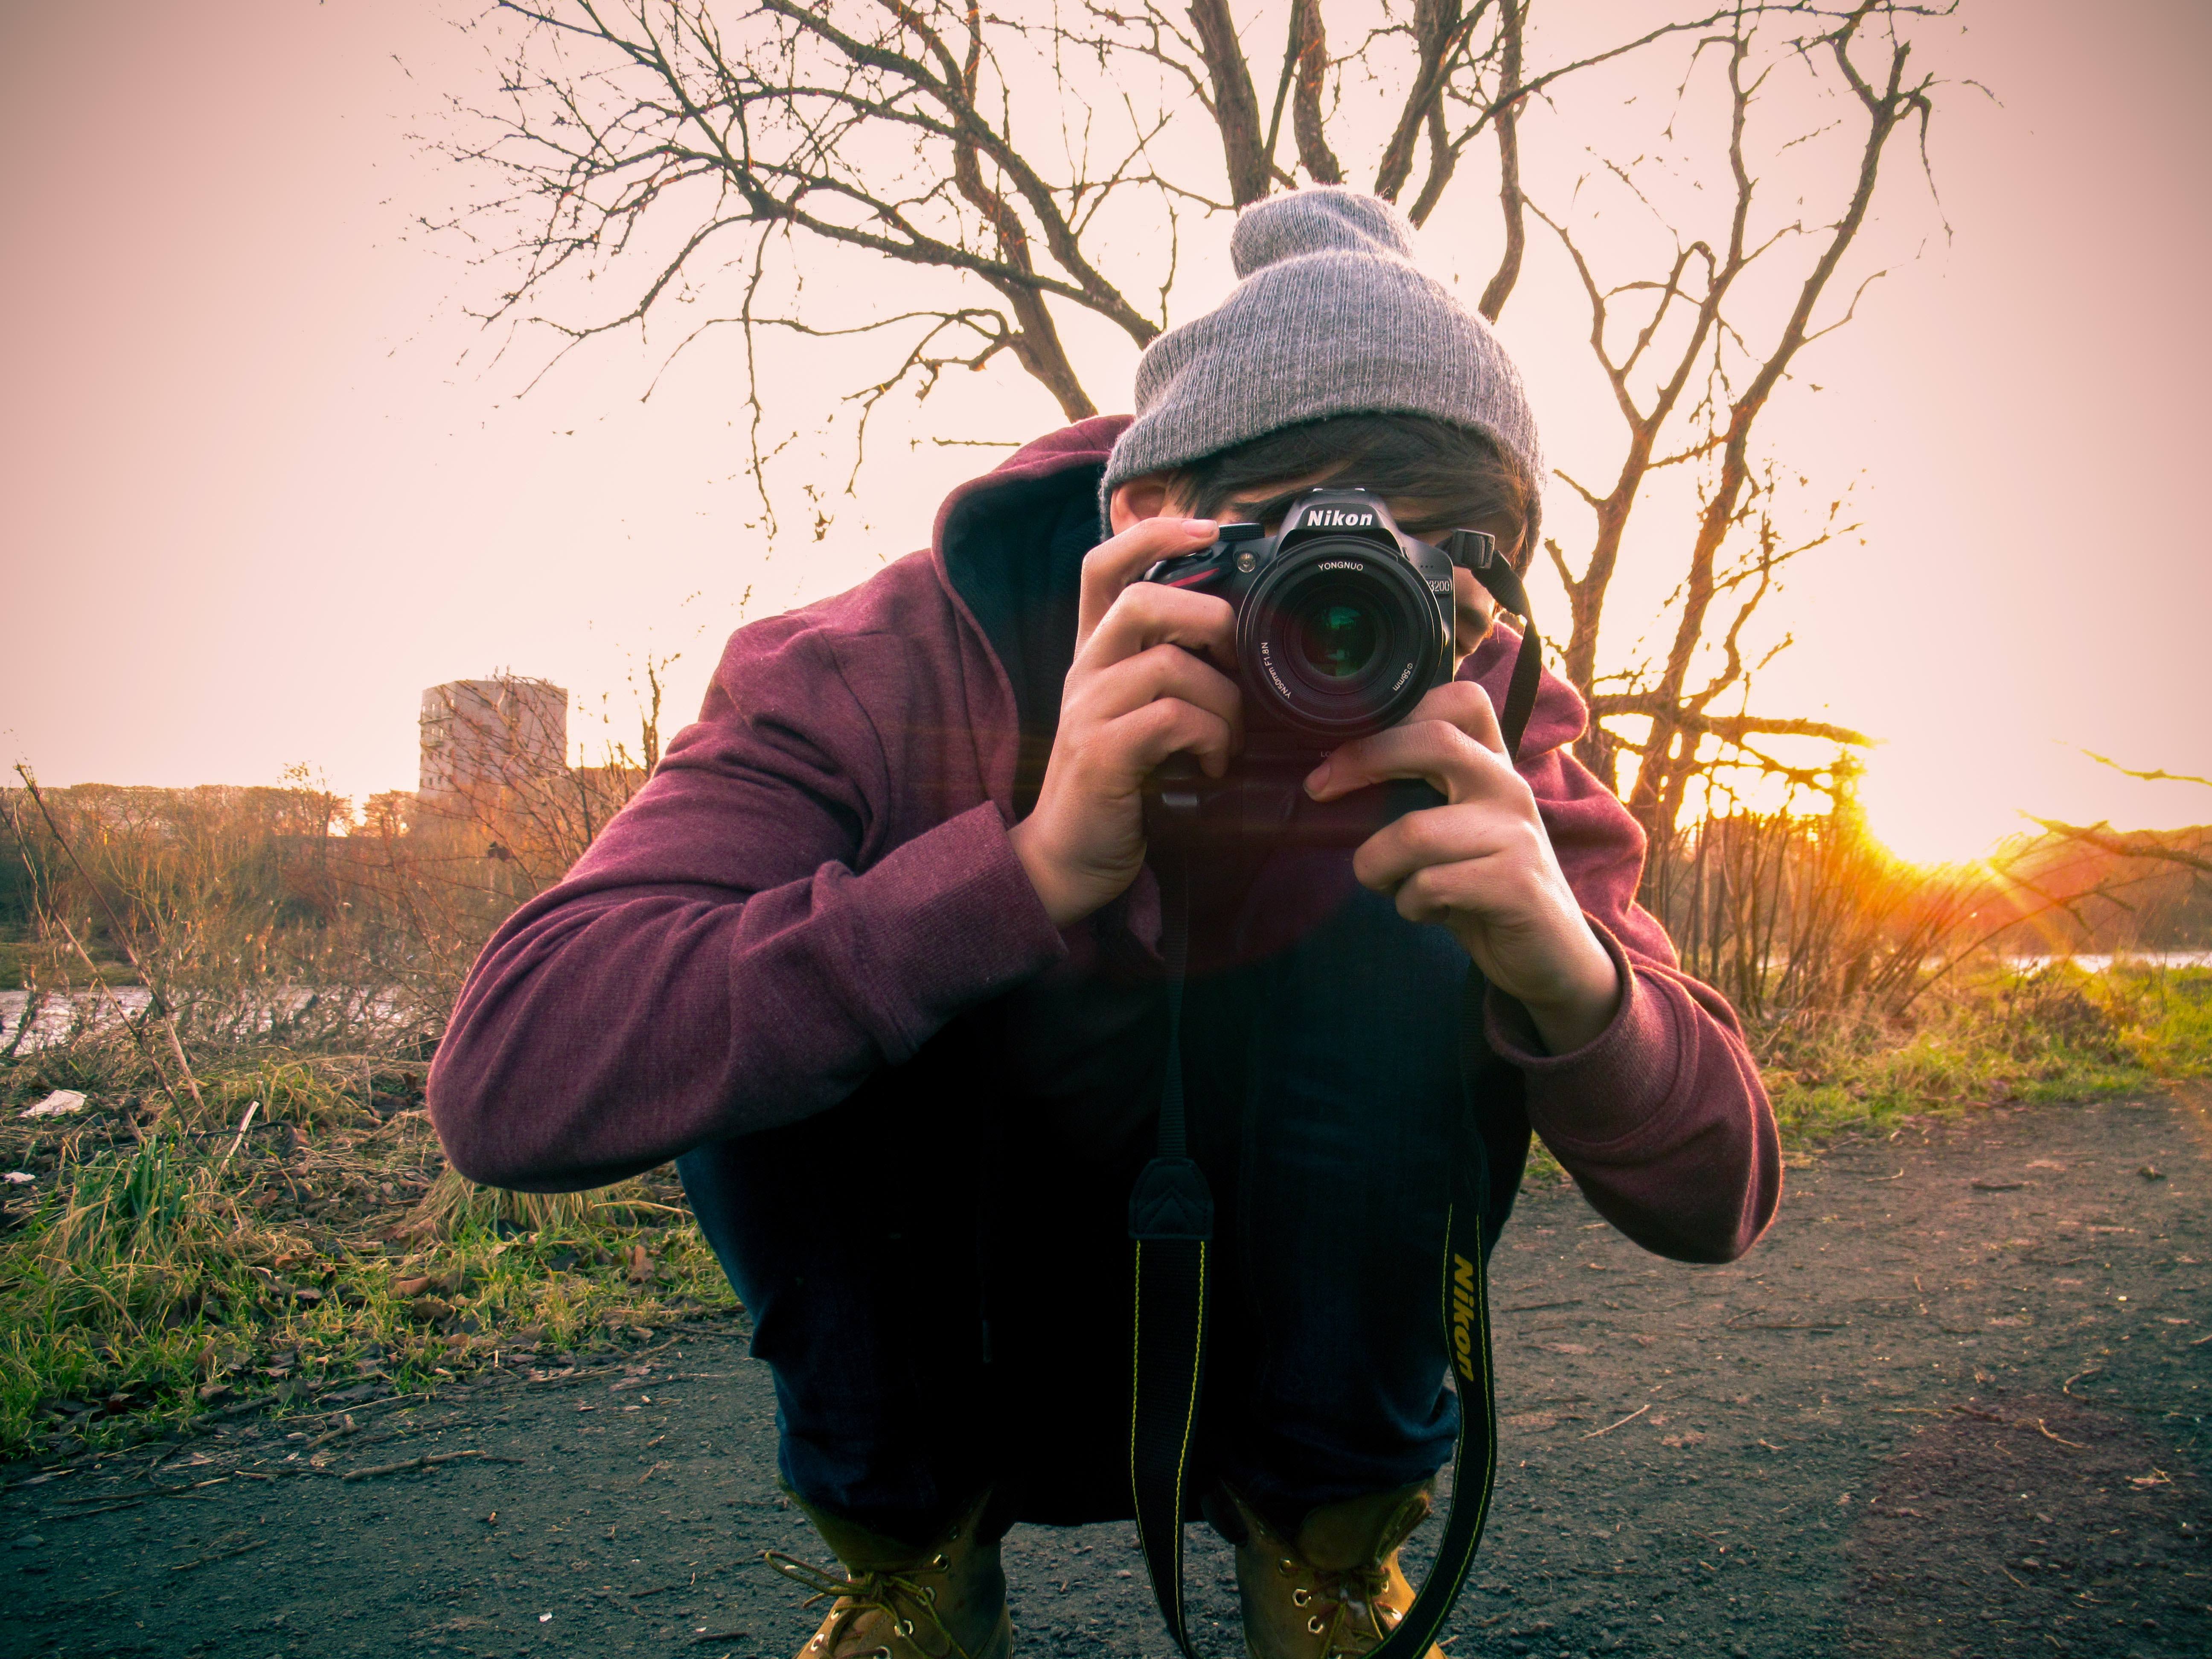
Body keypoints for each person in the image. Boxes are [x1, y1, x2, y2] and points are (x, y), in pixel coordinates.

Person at [428, 188, 1780, 1659]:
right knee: (772, 958)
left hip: (1292, 1325)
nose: (1362, 611)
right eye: (1297, 545)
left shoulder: (1484, 720)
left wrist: (1572, 985)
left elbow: (1718, 1197)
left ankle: (1323, 1555)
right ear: (1148, 517)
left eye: (1439, 560)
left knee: (1432, 912)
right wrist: (1018, 870)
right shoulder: (871, 669)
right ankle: (911, 1562)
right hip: (958, 1300)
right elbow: (508, 1079)